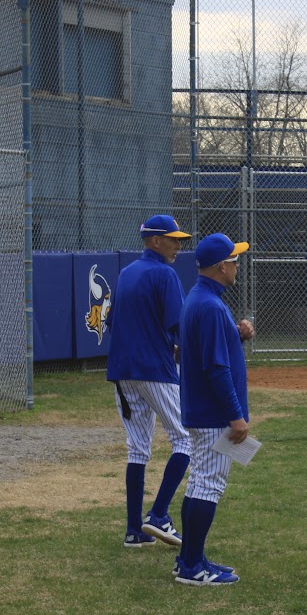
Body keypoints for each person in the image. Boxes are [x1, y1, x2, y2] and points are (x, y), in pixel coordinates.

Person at [105, 214, 195, 548]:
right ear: (155, 240)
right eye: (173, 239)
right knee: (185, 439)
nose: (177, 245)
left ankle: (134, 530)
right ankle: (158, 515)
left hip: (122, 370)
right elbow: (179, 326)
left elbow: (113, 320)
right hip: (154, 368)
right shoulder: (164, 273)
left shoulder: (128, 272)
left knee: (138, 448)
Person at [174, 232, 254, 586]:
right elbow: (216, 369)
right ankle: (192, 566)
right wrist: (235, 416)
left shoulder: (201, 298)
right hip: (212, 413)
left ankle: (191, 558)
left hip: (201, 409)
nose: (237, 265)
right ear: (222, 266)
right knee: (208, 485)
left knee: (200, 484)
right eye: (234, 260)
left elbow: (210, 351)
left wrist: (236, 335)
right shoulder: (209, 305)